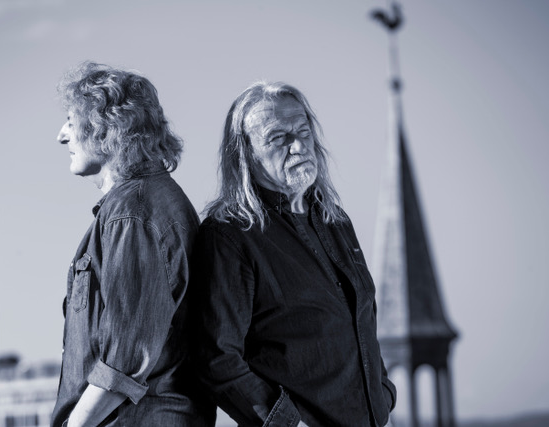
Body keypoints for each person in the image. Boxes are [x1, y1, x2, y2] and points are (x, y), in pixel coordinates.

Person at [192, 81, 397, 426]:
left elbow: (362, 320)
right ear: (245, 154)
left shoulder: (335, 220)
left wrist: (383, 394)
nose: (299, 145)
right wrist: (288, 424)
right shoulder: (229, 234)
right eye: (278, 138)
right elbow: (216, 359)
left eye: (303, 131)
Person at [51, 62, 214, 427]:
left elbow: (124, 361)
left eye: (71, 121)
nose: (61, 136)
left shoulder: (133, 212)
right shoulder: (140, 205)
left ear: (106, 126)